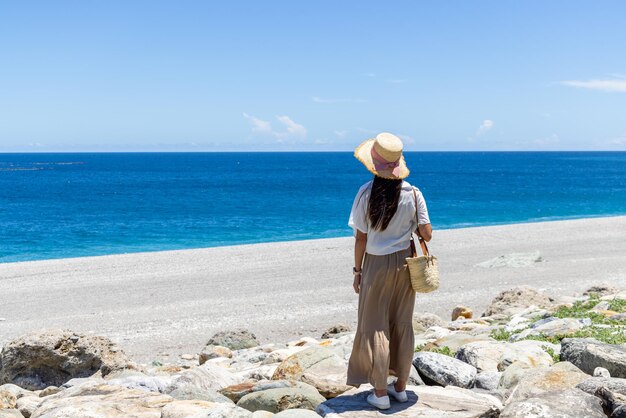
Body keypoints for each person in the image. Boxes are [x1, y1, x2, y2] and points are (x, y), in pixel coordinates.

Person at [346, 132, 432, 410]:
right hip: (406, 263)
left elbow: (360, 238)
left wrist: (357, 271)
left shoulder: (365, 193)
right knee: (402, 322)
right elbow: (427, 234)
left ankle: (380, 392)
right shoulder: (414, 192)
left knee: (376, 325)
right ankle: (401, 388)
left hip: (376, 263)